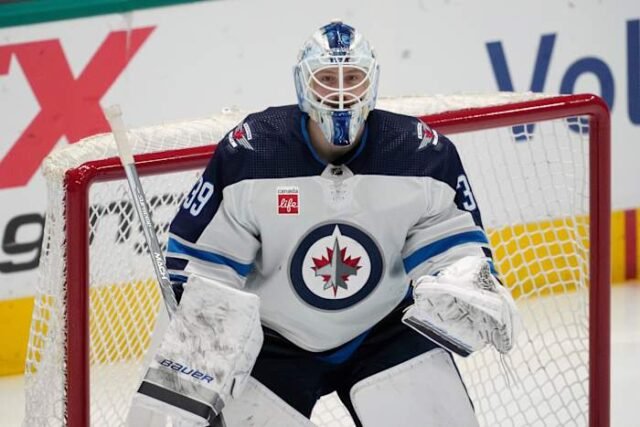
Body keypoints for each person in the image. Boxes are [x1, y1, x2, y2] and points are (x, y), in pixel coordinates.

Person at [129, 21, 520, 427]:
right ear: (303, 82)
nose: (340, 91)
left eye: (352, 77)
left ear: (371, 81)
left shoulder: (420, 154)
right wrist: (202, 344)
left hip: (383, 331)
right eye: (327, 78)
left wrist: (468, 276)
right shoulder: (252, 153)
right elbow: (200, 264)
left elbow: (452, 244)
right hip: (274, 340)